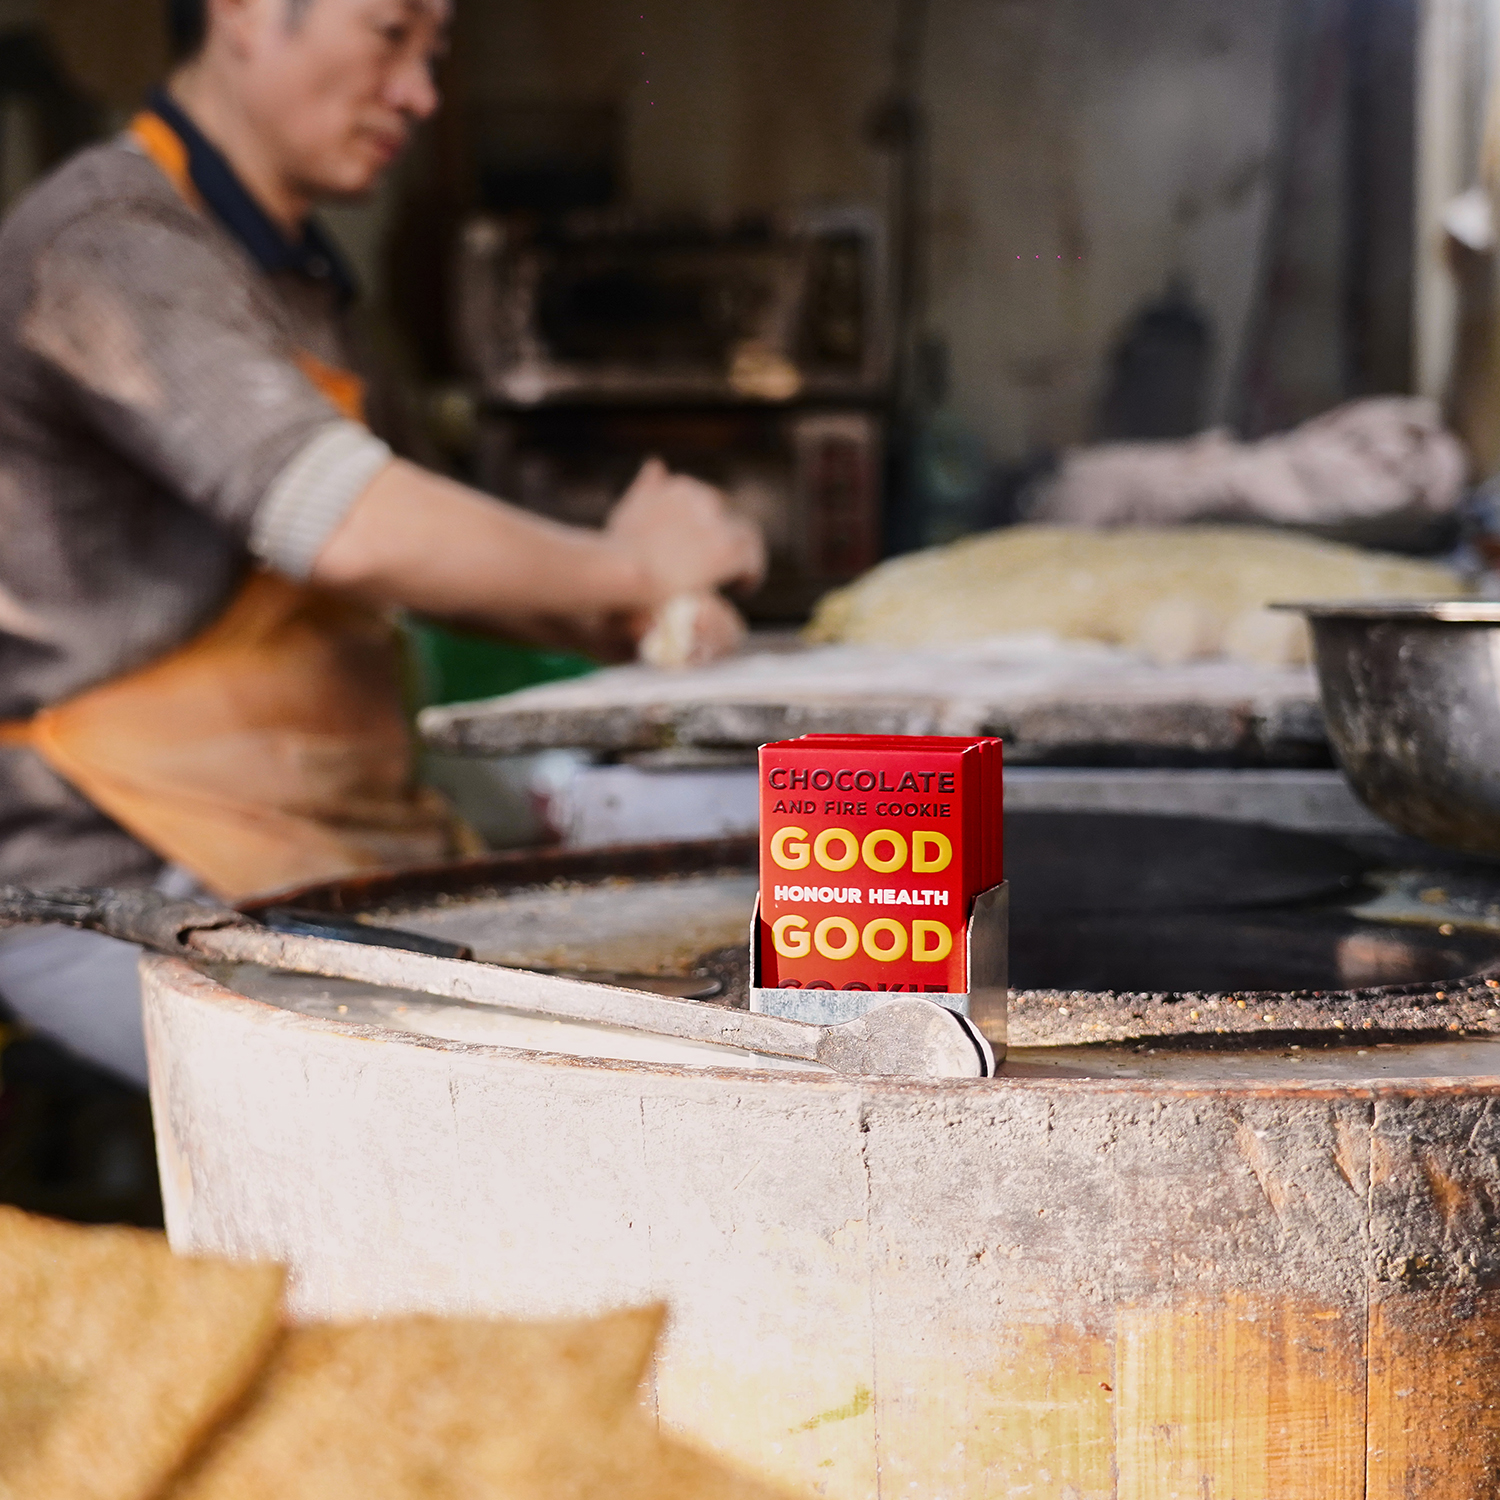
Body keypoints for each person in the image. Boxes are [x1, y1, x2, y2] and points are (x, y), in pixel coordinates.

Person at [0, 0, 764, 1086]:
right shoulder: (112, 243)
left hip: (309, 843)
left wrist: (644, 607)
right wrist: (635, 566)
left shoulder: (299, 278)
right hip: (112, 878)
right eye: (389, 34)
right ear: (249, 15)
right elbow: (347, 520)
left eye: (435, 53)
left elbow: (452, 563)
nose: (421, 92)